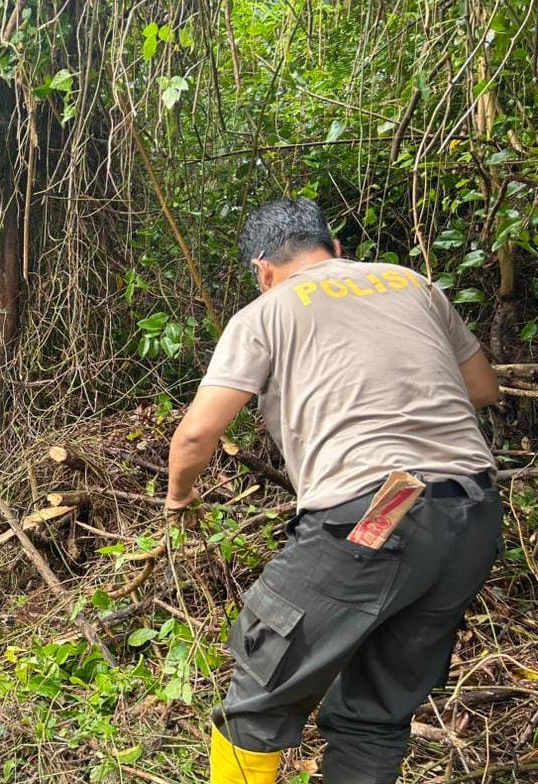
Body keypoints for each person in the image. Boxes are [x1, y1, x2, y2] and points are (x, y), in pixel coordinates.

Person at [165, 198, 500, 784]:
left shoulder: (266, 312)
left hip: (376, 511)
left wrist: (179, 501)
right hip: (472, 511)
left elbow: (196, 436)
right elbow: (483, 388)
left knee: (259, 695)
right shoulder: (411, 283)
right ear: (335, 250)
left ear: (262, 270)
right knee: (377, 714)